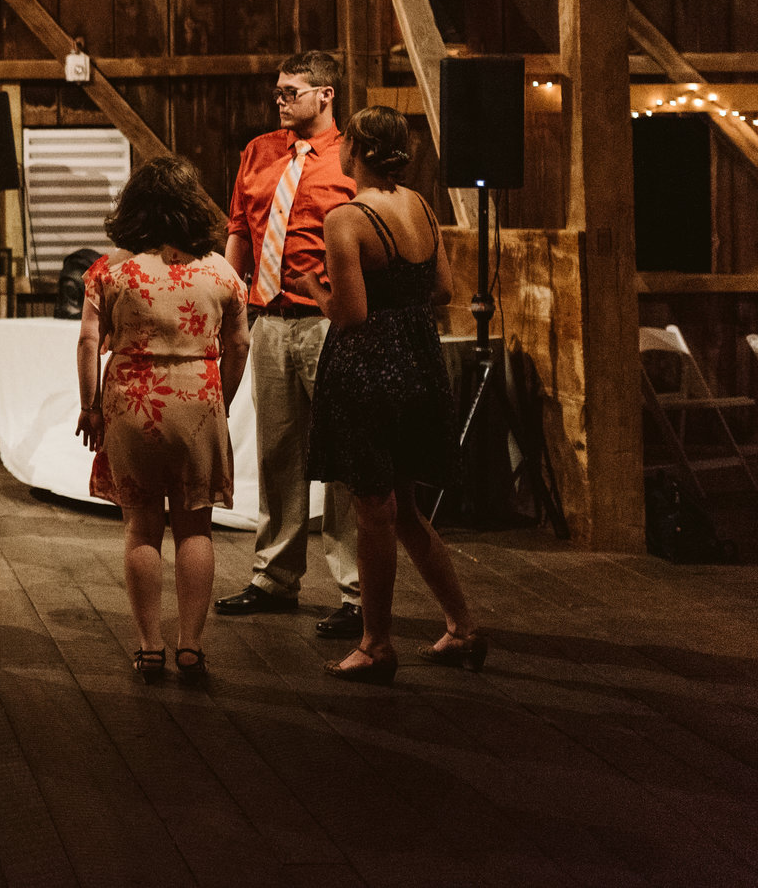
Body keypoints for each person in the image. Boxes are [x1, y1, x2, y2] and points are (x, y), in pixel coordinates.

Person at [288, 107, 485, 683]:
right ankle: (461, 626)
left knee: (374, 511)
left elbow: (351, 314)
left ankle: (375, 644)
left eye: (345, 140)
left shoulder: (346, 218)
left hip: (368, 367)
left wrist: (311, 289)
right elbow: (445, 289)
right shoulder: (421, 206)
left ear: (357, 150)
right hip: (419, 361)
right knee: (405, 510)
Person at [75, 157, 250, 682]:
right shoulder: (221, 270)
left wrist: (89, 405)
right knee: (196, 526)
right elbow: (238, 344)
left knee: (141, 527)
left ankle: (150, 646)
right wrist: (222, 400)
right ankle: (190, 646)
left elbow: (87, 341)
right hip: (199, 402)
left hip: (132, 404)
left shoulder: (110, 271)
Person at [214, 50, 362, 639]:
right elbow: (238, 233)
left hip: (327, 320)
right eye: (277, 92)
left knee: (344, 457)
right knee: (277, 451)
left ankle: (355, 589)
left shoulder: (351, 154)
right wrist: (229, 305)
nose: (280, 101)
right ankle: (274, 578)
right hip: (269, 318)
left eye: (291, 92)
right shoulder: (260, 151)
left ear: (326, 95)